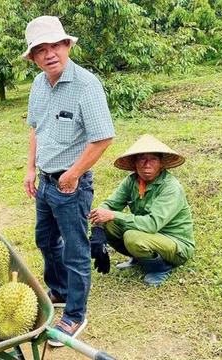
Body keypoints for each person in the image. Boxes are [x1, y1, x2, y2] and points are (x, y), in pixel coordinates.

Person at [22, 16, 115, 346]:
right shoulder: (38, 84)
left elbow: (102, 138)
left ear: (68, 46)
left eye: (56, 46)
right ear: (33, 57)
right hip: (45, 182)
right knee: (44, 240)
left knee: (75, 251)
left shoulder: (86, 85)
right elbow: (36, 128)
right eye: (41, 50)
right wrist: (30, 169)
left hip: (71, 185)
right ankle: (59, 291)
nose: (50, 55)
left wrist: (72, 175)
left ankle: (75, 314)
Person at [89, 134, 195, 286]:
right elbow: (108, 206)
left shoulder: (170, 187)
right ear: (135, 163)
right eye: (142, 159)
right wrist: (98, 231)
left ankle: (161, 268)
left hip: (175, 243)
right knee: (107, 222)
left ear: (161, 164)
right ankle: (139, 258)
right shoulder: (132, 181)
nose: (147, 164)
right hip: (147, 234)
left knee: (132, 237)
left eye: (153, 159)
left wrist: (113, 215)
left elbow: (151, 224)